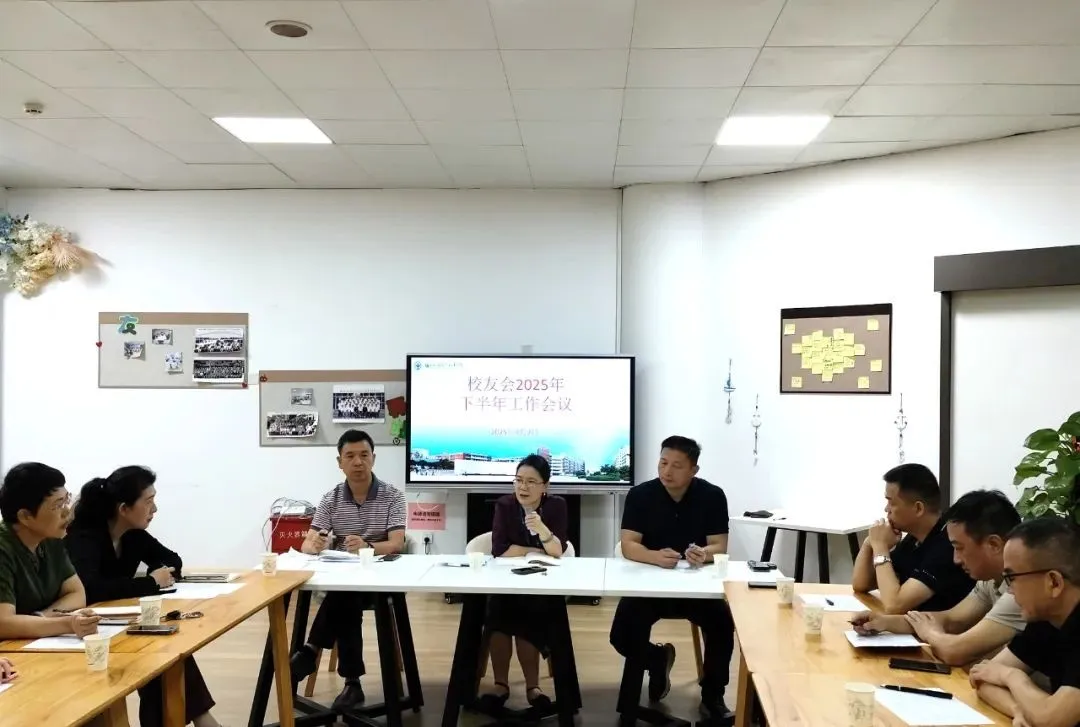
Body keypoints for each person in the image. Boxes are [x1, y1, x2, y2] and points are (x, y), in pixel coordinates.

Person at [64, 466, 222, 727]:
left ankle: (201, 719)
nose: (154, 509)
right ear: (124, 509)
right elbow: (90, 589)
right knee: (154, 648)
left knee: (161, 645)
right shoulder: (84, 537)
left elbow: (173, 560)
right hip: (83, 630)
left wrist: (157, 573)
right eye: (148, 501)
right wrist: (150, 582)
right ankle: (203, 720)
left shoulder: (133, 535)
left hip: (116, 623)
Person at [609, 436, 735, 723]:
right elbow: (629, 544)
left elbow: (719, 545)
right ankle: (657, 659)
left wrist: (703, 553)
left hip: (695, 588)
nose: (667, 471)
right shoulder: (640, 495)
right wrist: (653, 556)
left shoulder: (713, 496)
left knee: (722, 626)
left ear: (694, 470)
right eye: (663, 463)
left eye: (677, 466)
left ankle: (713, 696)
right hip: (649, 587)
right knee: (621, 635)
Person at [289, 430, 407, 713]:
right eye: (350, 456)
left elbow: (397, 543)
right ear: (339, 462)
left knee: (344, 596)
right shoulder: (330, 499)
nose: (357, 462)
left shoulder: (392, 496)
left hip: (380, 580)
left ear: (373, 458)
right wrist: (314, 544)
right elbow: (308, 543)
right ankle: (351, 683)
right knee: (346, 596)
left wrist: (367, 546)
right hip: (343, 579)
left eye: (364, 455)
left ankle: (311, 650)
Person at [852, 489, 1024, 665]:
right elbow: (951, 620)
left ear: (994, 544)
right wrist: (884, 622)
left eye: (960, 548)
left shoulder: (1021, 590)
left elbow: (956, 652)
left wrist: (930, 633)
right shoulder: (990, 580)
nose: (956, 559)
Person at [969, 517, 1080, 727]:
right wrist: (1019, 709)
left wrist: (1012, 677)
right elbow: (982, 678)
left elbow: (1052, 718)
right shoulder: (1046, 618)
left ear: (1054, 582)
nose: (1009, 590)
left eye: (1012, 578)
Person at [479, 454, 569, 713]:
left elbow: (558, 550)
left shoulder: (556, 506)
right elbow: (499, 550)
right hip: (506, 580)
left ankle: (533, 688)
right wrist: (535, 551)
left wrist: (542, 529)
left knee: (530, 611)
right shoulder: (505, 505)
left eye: (531, 481)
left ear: (545, 486)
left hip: (543, 583)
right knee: (497, 611)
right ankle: (500, 685)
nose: (523, 487)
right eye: (518, 480)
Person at [852, 463, 974, 613]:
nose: (886, 509)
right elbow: (861, 584)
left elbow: (894, 605)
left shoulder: (947, 545)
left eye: (891, 502)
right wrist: (869, 542)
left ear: (918, 508)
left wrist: (880, 547)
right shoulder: (914, 538)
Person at [0, 462, 101, 641]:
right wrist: (67, 624)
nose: (67, 511)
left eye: (66, 500)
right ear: (25, 516)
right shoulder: (4, 548)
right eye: (58, 505)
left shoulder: (50, 538)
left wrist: (42, 617)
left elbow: (77, 594)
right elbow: (3, 623)